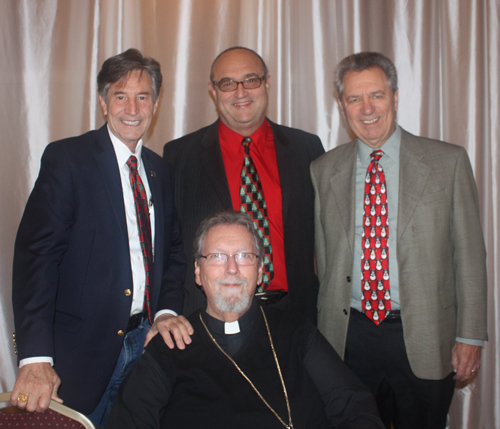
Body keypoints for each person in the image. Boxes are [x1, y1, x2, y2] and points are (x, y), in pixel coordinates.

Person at [10, 48, 192, 427]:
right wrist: (35, 357)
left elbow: (173, 251)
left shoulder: (160, 169)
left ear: (155, 104)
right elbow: (37, 260)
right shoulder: (68, 159)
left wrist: (165, 312)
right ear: (102, 102)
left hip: (145, 347)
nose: (132, 107)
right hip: (79, 355)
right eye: (120, 95)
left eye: (143, 97)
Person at [310, 51, 488, 428]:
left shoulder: (447, 162)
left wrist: (469, 336)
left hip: (423, 335)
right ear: (342, 106)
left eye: (376, 95)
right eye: (354, 99)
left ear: (393, 96)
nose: (367, 108)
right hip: (348, 338)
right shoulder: (323, 170)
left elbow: (470, 257)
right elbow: (323, 262)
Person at [105, 210, 385, 429]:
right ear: (198, 272)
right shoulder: (168, 349)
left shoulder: (297, 331)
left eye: (243, 256)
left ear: (260, 271)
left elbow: (356, 407)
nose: (231, 268)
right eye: (216, 256)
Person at [163, 46, 324, 322]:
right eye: (227, 84)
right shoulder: (179, 156)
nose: (240, 93)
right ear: (213, 92)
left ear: (267, 83)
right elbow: (170, 248)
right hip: (211, 316)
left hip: (296, 317)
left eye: (251, 80)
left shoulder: (307, 149)